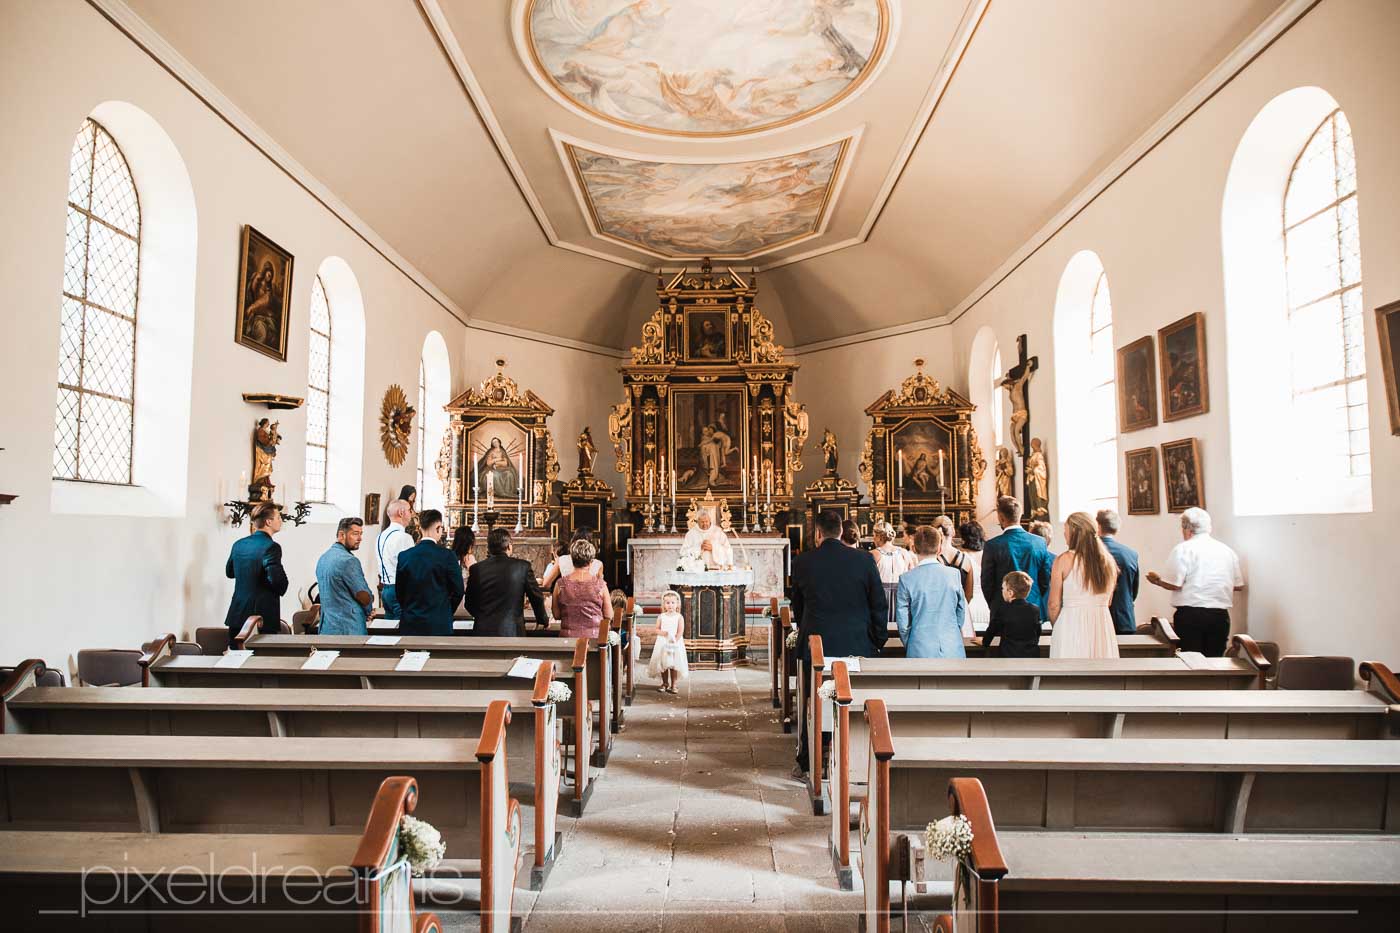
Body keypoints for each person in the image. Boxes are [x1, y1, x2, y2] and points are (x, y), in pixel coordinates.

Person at [790, 510, 888, 779]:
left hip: (817, 643)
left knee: (814, 701)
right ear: (842, 533)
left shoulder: (802, 562)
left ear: (818, 533)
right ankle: (853, 756)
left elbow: (797, 604)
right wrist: (877, 639)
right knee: (853, 699)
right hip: (856, 643)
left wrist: (804, 629)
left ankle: (810, 758)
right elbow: (878, 603)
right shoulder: (864, 560)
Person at [1146, 508, 1245, 656]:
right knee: (1215, 660)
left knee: (1191, 660)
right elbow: (1238, 585)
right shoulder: (1227, 551)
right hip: (1219, 615)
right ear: (1209, 527)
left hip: (1191, 616)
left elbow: (1174, 584)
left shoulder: (1183, 549)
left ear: (1186, 528)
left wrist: (1157, 581)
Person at [1047, 512, 1119, 659]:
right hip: (1101, 624)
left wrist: (1059, 626)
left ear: (1075, 533)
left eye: (1066, 532)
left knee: (1070, 675)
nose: (1065, 536)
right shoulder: (1109, 562)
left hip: (1070, 624)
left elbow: (1053, 604)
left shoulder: (1063, 560)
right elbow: (1109, 601)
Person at [895, 526, 967, 659]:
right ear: (939, 549)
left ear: (914, 548)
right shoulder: (953, 574)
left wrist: (911, 643)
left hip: (919, 647)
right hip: (951, 646)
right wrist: (952, 633)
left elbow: (903, 622)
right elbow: (961, 611)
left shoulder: (906, 579)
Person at [466, 527, 550, 637]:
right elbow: (536, 597)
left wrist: (483, 616)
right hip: (512, 631)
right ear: (509, 546)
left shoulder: (476, 569)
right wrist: (542, 620)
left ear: (489, 548)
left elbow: (469, 602)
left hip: (483, 631)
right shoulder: (523, 567)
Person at [981, 497, 1053, 622]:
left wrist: (995, 605)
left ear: (1001, 517)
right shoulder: (1039, 542)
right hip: (1033, 607)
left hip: (1003, 609)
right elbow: (1045, 580)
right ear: (1020, 515)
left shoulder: (992, 545)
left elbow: (987, 582)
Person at [223, 503, 289, 639]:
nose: (281, 520)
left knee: (236, 658)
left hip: (237, 612)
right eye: (278, 517)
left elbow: (230, 572)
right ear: (268, 522)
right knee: (262, 659)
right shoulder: (271, 547)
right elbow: (278, 581)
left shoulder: (239, 544)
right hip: (261, 616)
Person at [394, 510, 462, 637]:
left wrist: (411, 609)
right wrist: (446, 610)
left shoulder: (404, 556)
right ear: (438, 528)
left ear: (420, 528)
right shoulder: (447, 556)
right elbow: (458, 590)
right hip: (439, 623)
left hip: (411, 621)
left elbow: (400, 592)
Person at [315, 517, 373, 636]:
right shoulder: (349, 561)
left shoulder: (323, 558)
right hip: (348, 628)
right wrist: (369, 610)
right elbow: (363, 595)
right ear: (342, 535)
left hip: (327, 627)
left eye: (361, 534)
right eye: (355, 534)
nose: (360, 538)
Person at [553, 538, 611, 639]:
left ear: (572, 559)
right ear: (591, 560)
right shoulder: (601, 585)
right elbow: (609, 615)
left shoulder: (560, 584)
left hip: (568, 639)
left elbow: (557, 615)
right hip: (594, 640)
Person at [1096, 509, 1140, 634]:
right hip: (1124, 616)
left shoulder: (1087, 553)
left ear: (1098, 526)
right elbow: (1133, 590)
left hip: (1096, 617)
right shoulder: (1131, 554)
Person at [980, 571, 1041, 658]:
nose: (1002, 591)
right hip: (1031, 656)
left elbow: (992, 630)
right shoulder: (1035, 610)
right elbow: (1037, 632)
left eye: (1003, 588)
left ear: (1010, 593)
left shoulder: (1002, 610)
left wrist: (984, 642)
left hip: (1008, 656)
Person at [375, 499, 414, 619]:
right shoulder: (404, 537)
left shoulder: (380, 536)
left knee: (390, 629)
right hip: (400, 590)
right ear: (401, 513)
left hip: (386, 589)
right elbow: (411, 567)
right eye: (409, 510)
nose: (411, 514)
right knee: (404, 630)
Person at [647, 589, 689, 694]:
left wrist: (674, 640)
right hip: (663, 643)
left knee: (674, 664)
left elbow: (680, 631)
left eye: (672, 603)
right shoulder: (661, 617)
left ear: (677, 604)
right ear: (664, 604)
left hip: (675, 643)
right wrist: (664, 633)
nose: (670, 605)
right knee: (663, 663)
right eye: (668, 603)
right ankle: (665, 683)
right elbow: (656, 629)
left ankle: (674, 684)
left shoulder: (679, 617)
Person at [871, 521, 915, 623]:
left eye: (874, 535)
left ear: (878, 537)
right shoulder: (904, 553)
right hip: (901, 596)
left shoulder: (873, 554)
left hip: (879, 596)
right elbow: (912, 577)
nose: (873, 539)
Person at [956, 521, 991, 635]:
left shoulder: (962, 556)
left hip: (970, 605)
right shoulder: (988, 553)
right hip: (988, 604)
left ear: (964, 538)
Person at [935, 515, 975, 611]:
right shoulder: (966, 559)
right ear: (953, 532)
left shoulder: (933, 559)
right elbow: (969, 595)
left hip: (938, 610)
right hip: (959, 610)